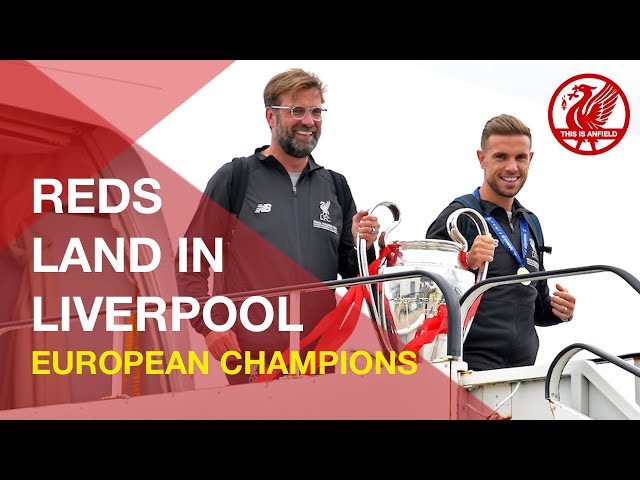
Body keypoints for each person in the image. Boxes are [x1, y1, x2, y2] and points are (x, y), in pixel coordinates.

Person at [176, 68, 380, 384]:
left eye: (316, 111)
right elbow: (191, 259)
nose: (309, 122)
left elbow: (352, 273)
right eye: (296, 111)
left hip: (317, 363)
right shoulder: (236, 178)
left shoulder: (335, 186)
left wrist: (362, 244)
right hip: (251, 365)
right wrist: (210, 325)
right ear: (271, 117)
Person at [425, 114, 576, 371]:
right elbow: (424, 298)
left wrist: (558, 310)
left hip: (524, 369)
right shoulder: (458, 216)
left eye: (520, 157)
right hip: (466, 369)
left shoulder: (531, 222)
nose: (511, 167)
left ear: (531, 159)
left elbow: (536, 305)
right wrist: (467, 263)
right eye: (500, 157)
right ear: (481, 159)